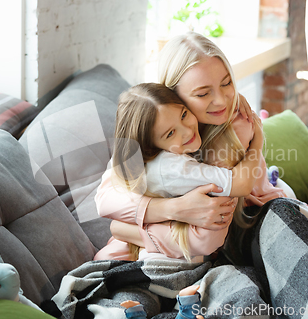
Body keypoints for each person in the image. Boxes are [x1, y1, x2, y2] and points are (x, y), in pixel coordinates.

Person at [94, 31, 294, 262]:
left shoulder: (234, 127)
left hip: (216, 239)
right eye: (202, 93)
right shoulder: (155, 123)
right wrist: (174, 208)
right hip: (160, 240)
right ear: (172, 95)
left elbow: (206, 236)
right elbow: (106, 198)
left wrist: (125, 228)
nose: (222, 101)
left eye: (227, 83)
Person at [100, 82, 260, 262]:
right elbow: (103, 201)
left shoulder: (171, 123)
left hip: (163, 248)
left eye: (184, 115)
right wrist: (259, 140)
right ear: (150, 147)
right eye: (170, 134)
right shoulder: (170, 165)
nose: (186, 132)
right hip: (144, 258)